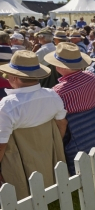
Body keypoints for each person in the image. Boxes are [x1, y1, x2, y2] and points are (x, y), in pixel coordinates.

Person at [0, 51, 67, 199]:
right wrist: (54, 142)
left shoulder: (7, 106)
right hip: (48, 151)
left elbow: (2, 143)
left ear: (14, 77)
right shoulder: (52, 95)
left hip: (18, 157)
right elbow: (62, 123)